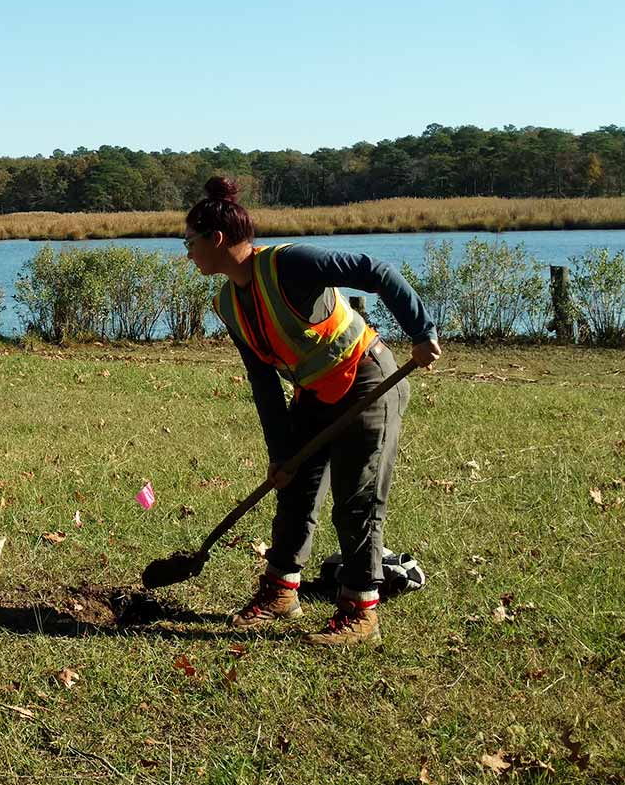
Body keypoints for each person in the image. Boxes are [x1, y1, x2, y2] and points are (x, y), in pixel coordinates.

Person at [183, 177, 441, 645]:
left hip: (368, 378)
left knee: (356, 498)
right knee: (296, 488)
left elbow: (375, 270)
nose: (188, 252)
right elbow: (263, 382)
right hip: (313, 392)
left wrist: (420, 331)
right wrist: (280, 452)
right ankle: (281, 592)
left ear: (216, 240)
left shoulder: (291, 264)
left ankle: (361, 610)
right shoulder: (227, 303)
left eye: (191, 241)